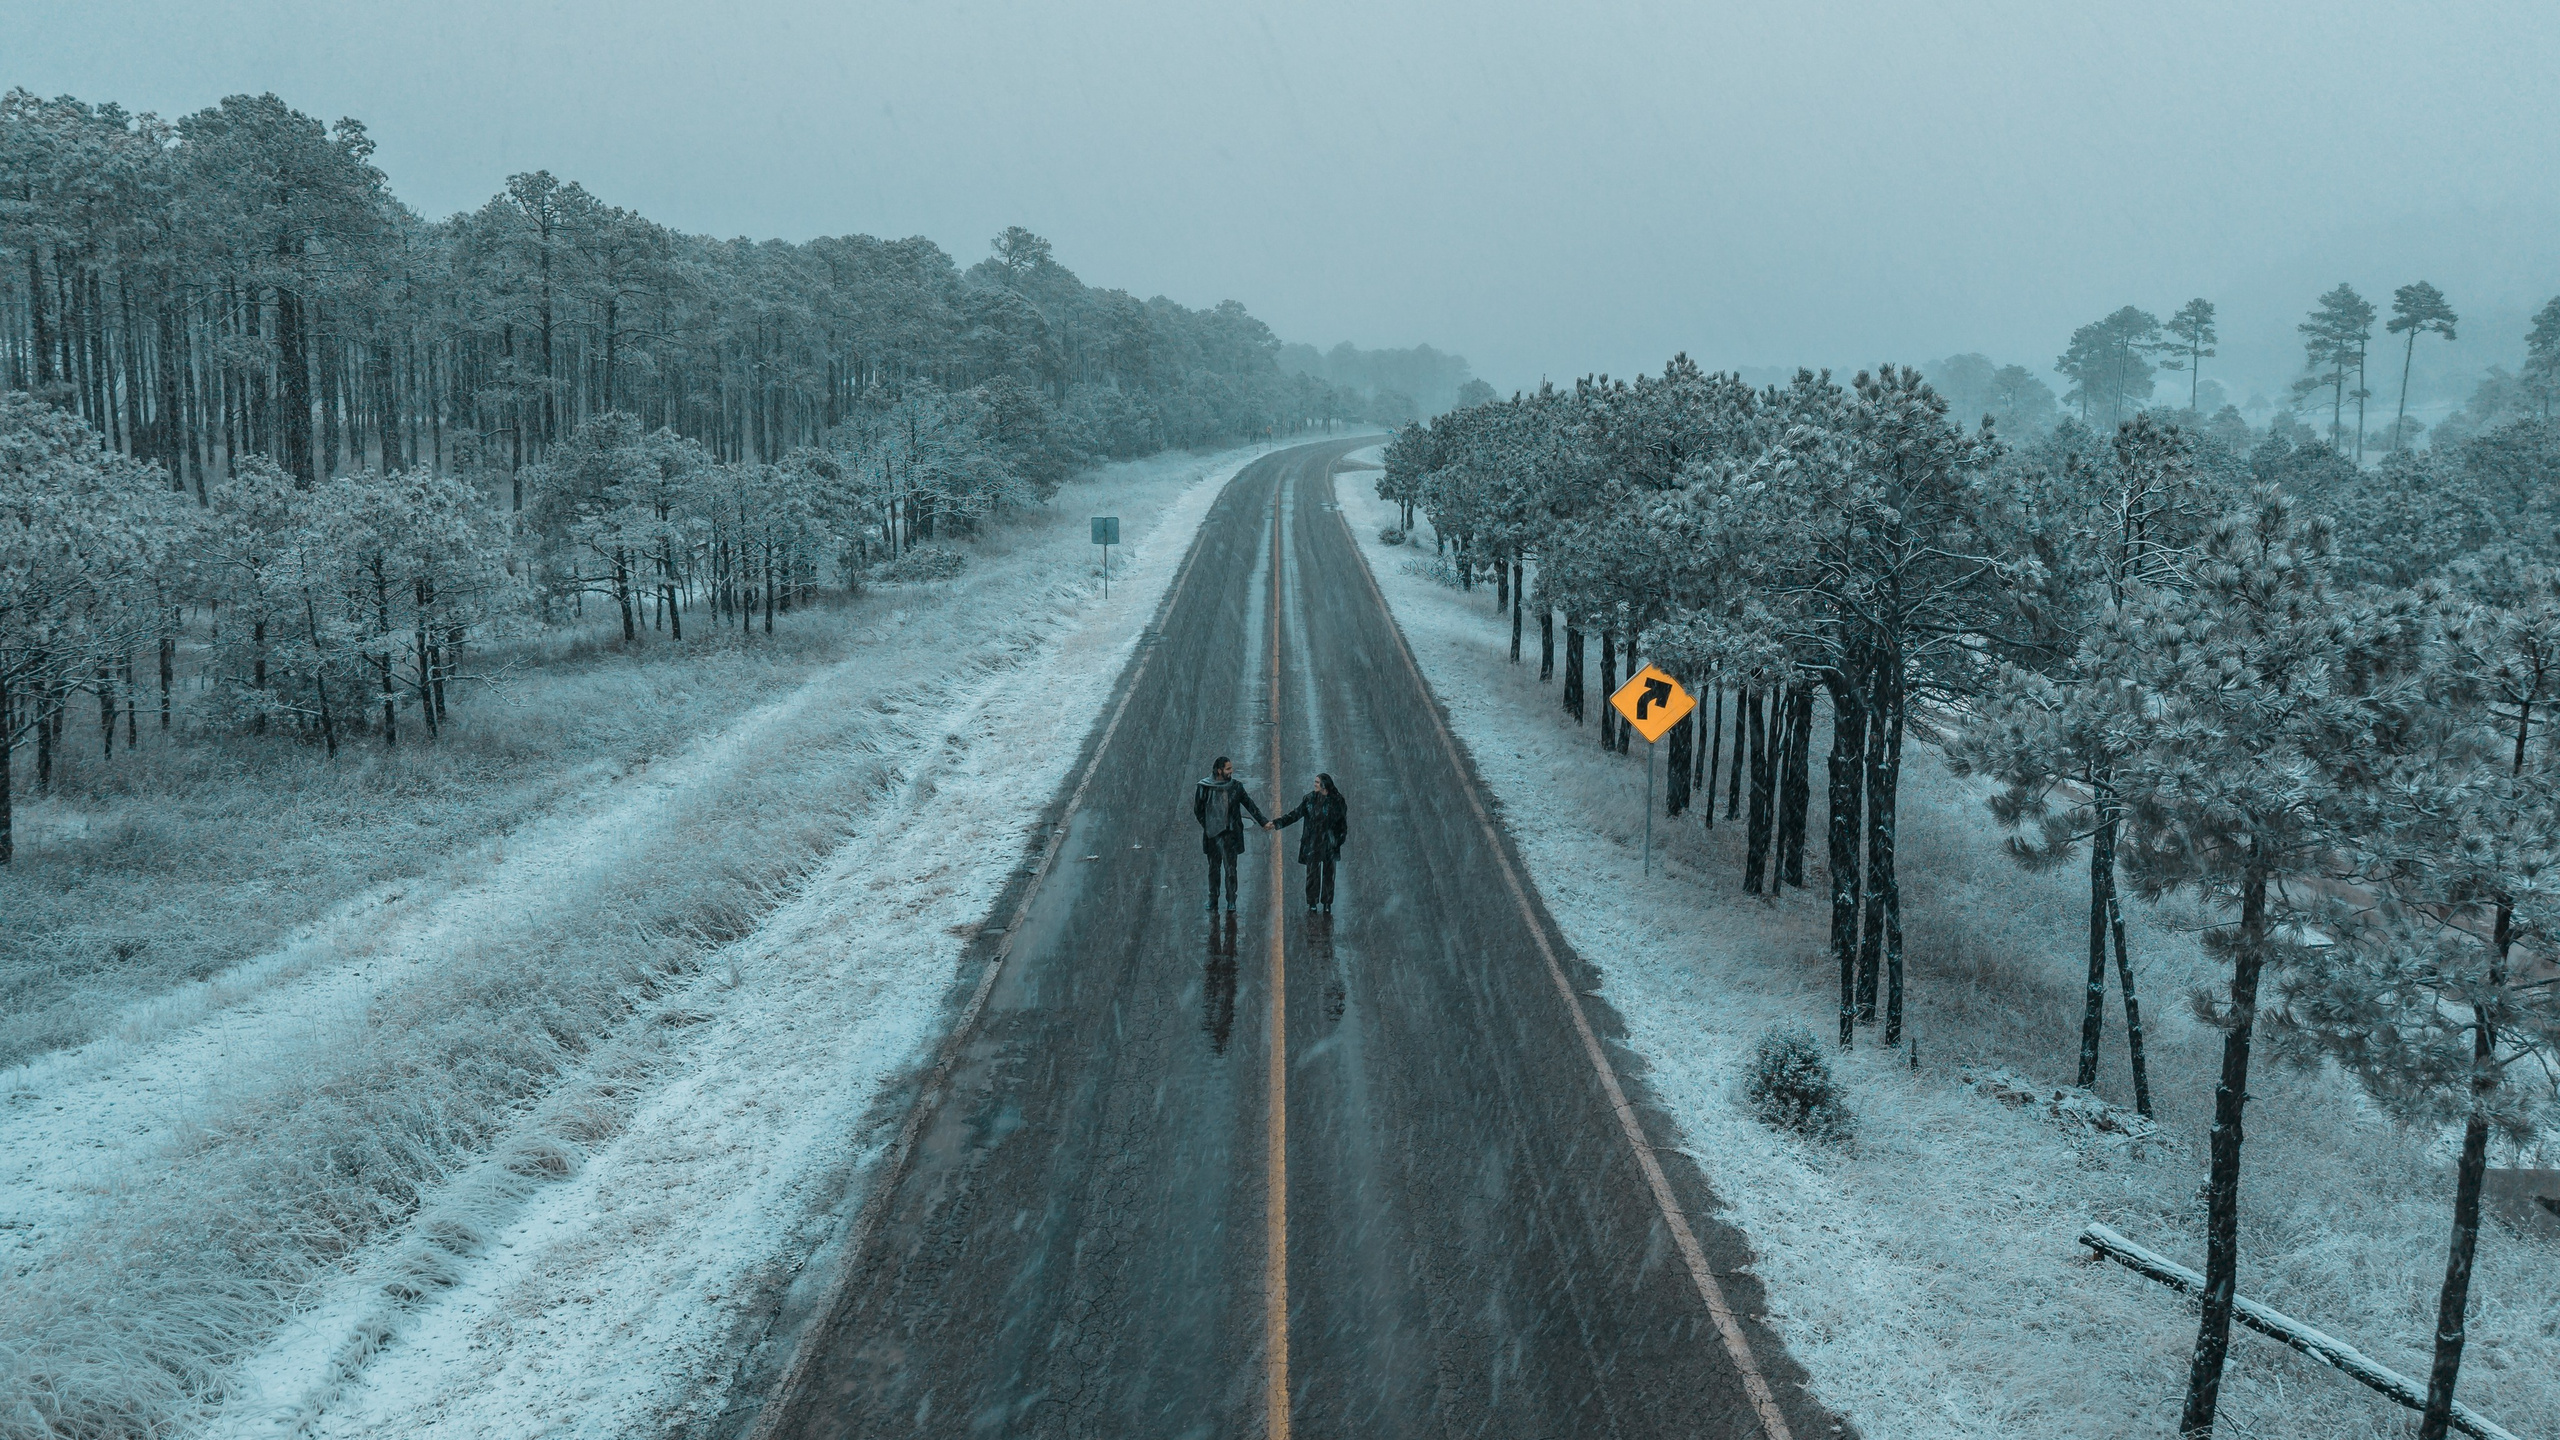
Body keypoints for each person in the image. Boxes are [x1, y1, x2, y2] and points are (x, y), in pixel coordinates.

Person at [1192, 756, 1268, 912]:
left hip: (1230, 835)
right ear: (1219, 770)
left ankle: (1231, 900)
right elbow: (1198, 809)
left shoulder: (1236, 787)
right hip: (1213, 835)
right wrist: (1208, 825)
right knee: (1214, 870)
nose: (1231, 771)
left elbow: (1249, 804)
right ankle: (1213, 899)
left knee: (1230, 870)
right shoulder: (1204, 787)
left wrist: (1263, 821)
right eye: (1228, 769)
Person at [1271, 772, 1349, 912]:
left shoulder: (1337, 801)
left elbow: (1342, 824)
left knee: (1329, 875)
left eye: (1317, 782)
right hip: (1313, 843)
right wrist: (1277, 824)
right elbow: (1295, 815)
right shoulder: (1309, 800)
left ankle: (1327, 903)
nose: (1315, 785)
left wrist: (1337, 841)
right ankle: (1312, 902)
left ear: (1325, 785)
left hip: (1329, 844)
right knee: (1312, 874)